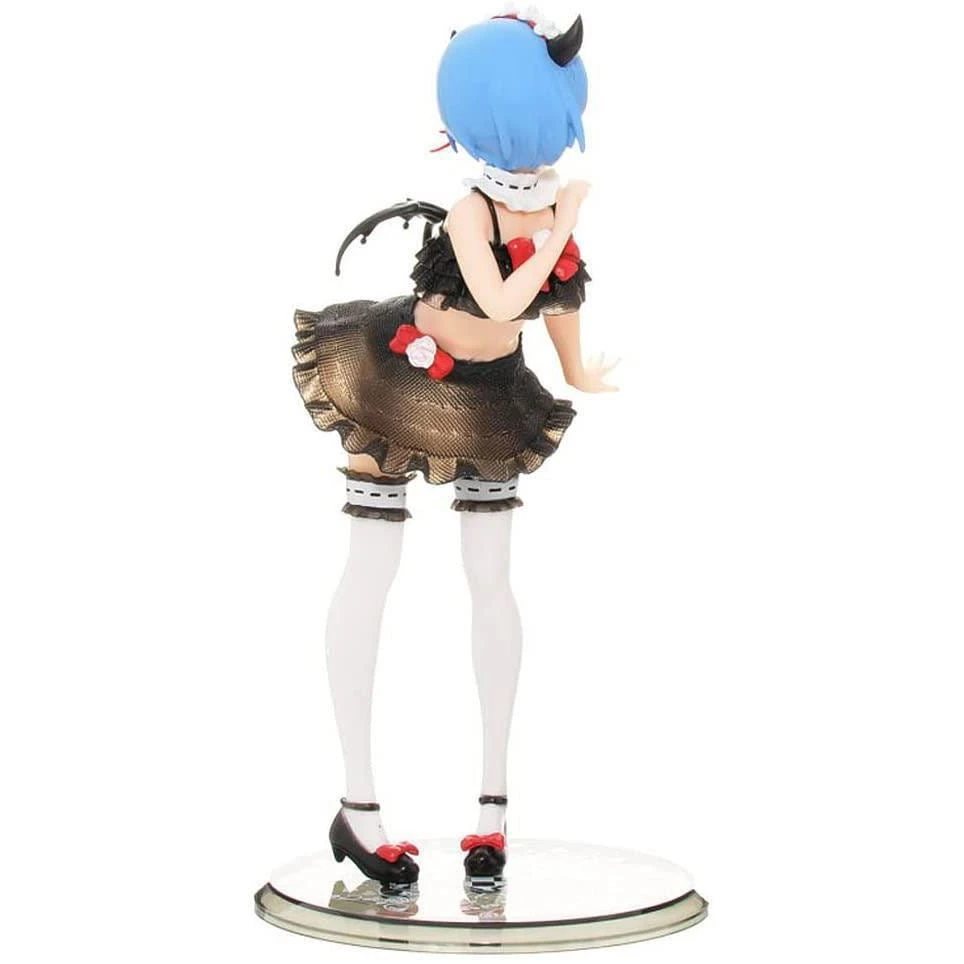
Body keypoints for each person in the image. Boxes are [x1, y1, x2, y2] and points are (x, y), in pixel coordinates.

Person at [293, 7, 617, 890]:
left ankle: (492, 811)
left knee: (491, 579)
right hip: (398, 380)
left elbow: (558, 296)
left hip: (488, 394)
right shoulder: (475, 208)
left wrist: (576, 369)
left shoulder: (543, 200)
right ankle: (358, 805)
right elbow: (505, 297)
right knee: (372, 567)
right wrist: (561, 223)